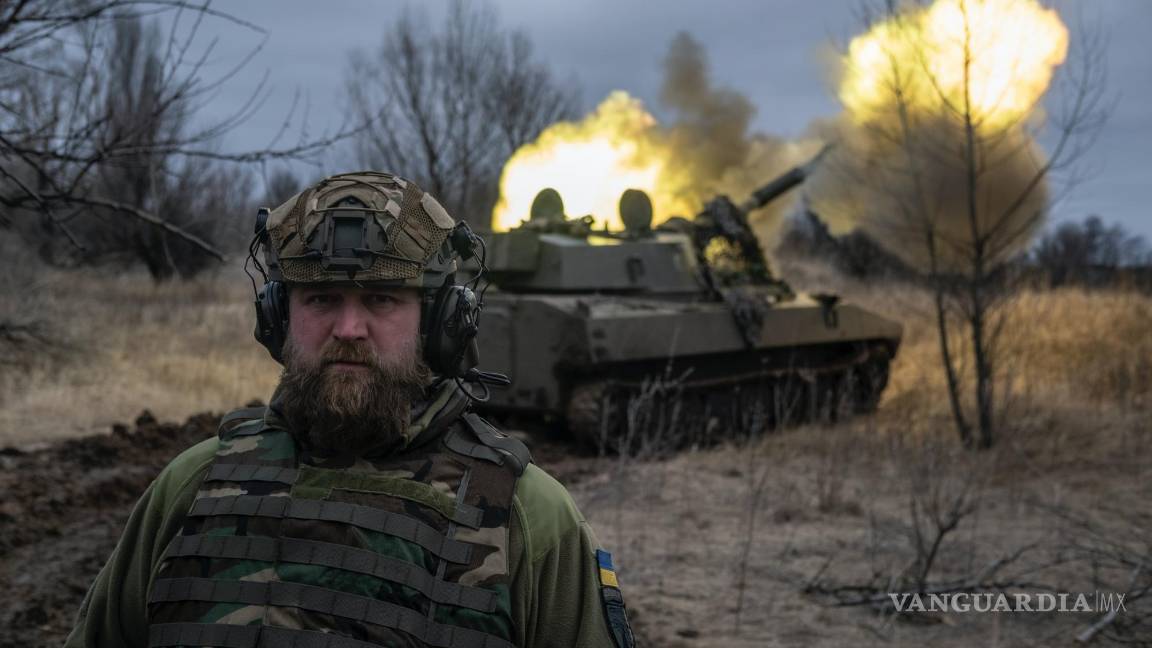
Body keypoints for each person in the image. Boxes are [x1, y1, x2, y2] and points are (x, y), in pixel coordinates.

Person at [65, 171, 635, 648]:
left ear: (441, 324)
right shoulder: (190, 488)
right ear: (278, 317)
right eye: (322, 299)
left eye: (381, 299)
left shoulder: (527, 519)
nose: (348, 329)